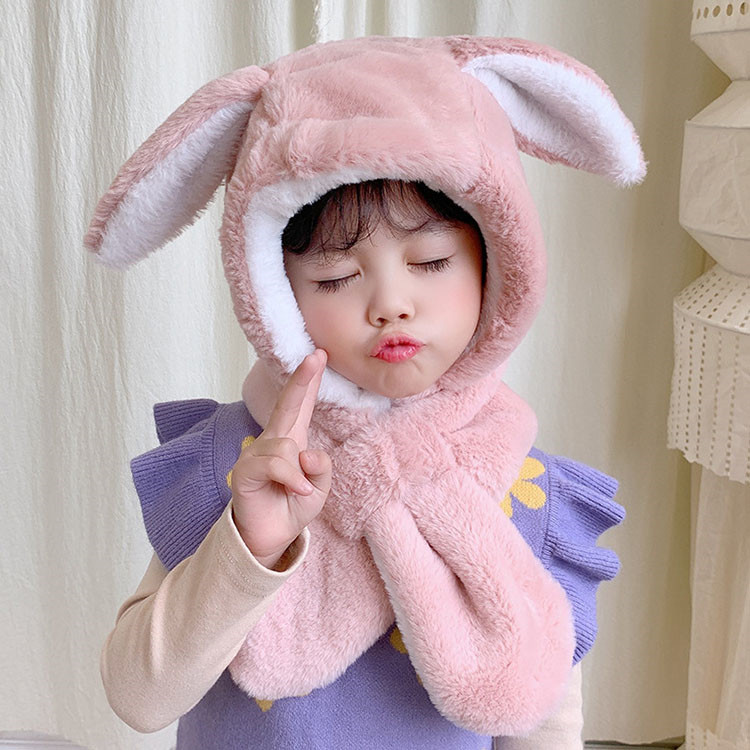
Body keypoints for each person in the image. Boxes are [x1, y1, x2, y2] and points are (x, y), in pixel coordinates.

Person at [87, 35, 645, 749]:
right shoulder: (238, 466)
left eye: (431, 260)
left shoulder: (527, 490)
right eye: (336, 278)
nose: (390, 305)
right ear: (273, 294)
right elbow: (137, 696)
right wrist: (247, 546)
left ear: (498, 263)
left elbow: (543, 722)